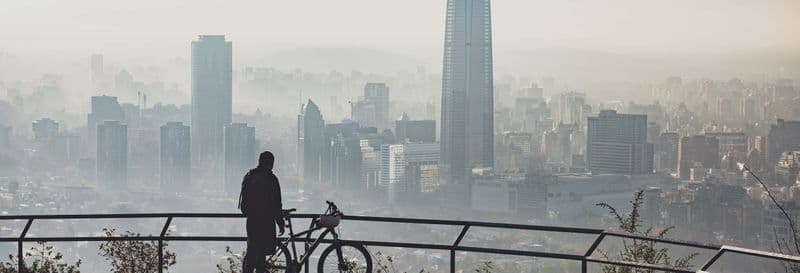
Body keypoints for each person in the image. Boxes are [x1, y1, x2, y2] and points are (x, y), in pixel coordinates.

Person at [239, 151, 285, 273]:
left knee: (252, 249)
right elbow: (276, 204)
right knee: (262, 252)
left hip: (252, 220)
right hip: (266, 221)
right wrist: (280, 222)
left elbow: (244, 203)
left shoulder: (250, 175)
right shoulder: (271, 178)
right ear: (271, 163)